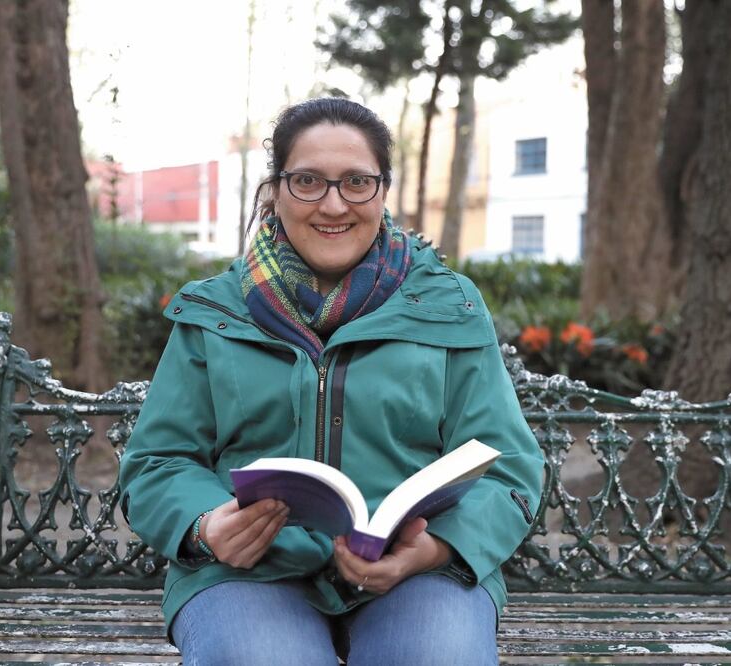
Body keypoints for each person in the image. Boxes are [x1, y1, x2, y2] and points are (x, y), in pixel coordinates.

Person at [119, 97, 544, 665]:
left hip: (419, 573)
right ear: (276, 190)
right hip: (251, 573)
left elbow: (509, 467)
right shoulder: (211, 311)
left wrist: (435, 549)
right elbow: (156, 462)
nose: (333, 204)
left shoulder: (452, 304)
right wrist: (204, 526)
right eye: (308, 181)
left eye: (356, 182)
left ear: (383, 191)